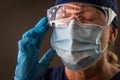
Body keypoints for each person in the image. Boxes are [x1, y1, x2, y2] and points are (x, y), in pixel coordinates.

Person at [14, 0, 120, 80]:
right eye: (63, 17)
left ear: (112, 34)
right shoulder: (42, 78)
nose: (72, 28)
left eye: (88, 17)